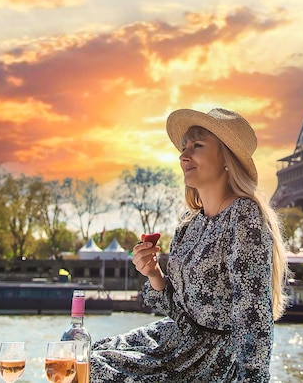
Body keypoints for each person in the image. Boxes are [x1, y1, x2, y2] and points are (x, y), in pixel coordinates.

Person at [90, 107, 289, 382]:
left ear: (226, 157)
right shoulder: (189, 223)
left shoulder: (244, 216)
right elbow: (181, 311)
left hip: (212, 359)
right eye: (184, 148)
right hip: (178, 342)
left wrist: (253, 378)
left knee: (96, 369)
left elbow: (253, 314)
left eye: (197, 145)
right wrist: (154, 274)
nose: (184, 156)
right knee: (87, 355)